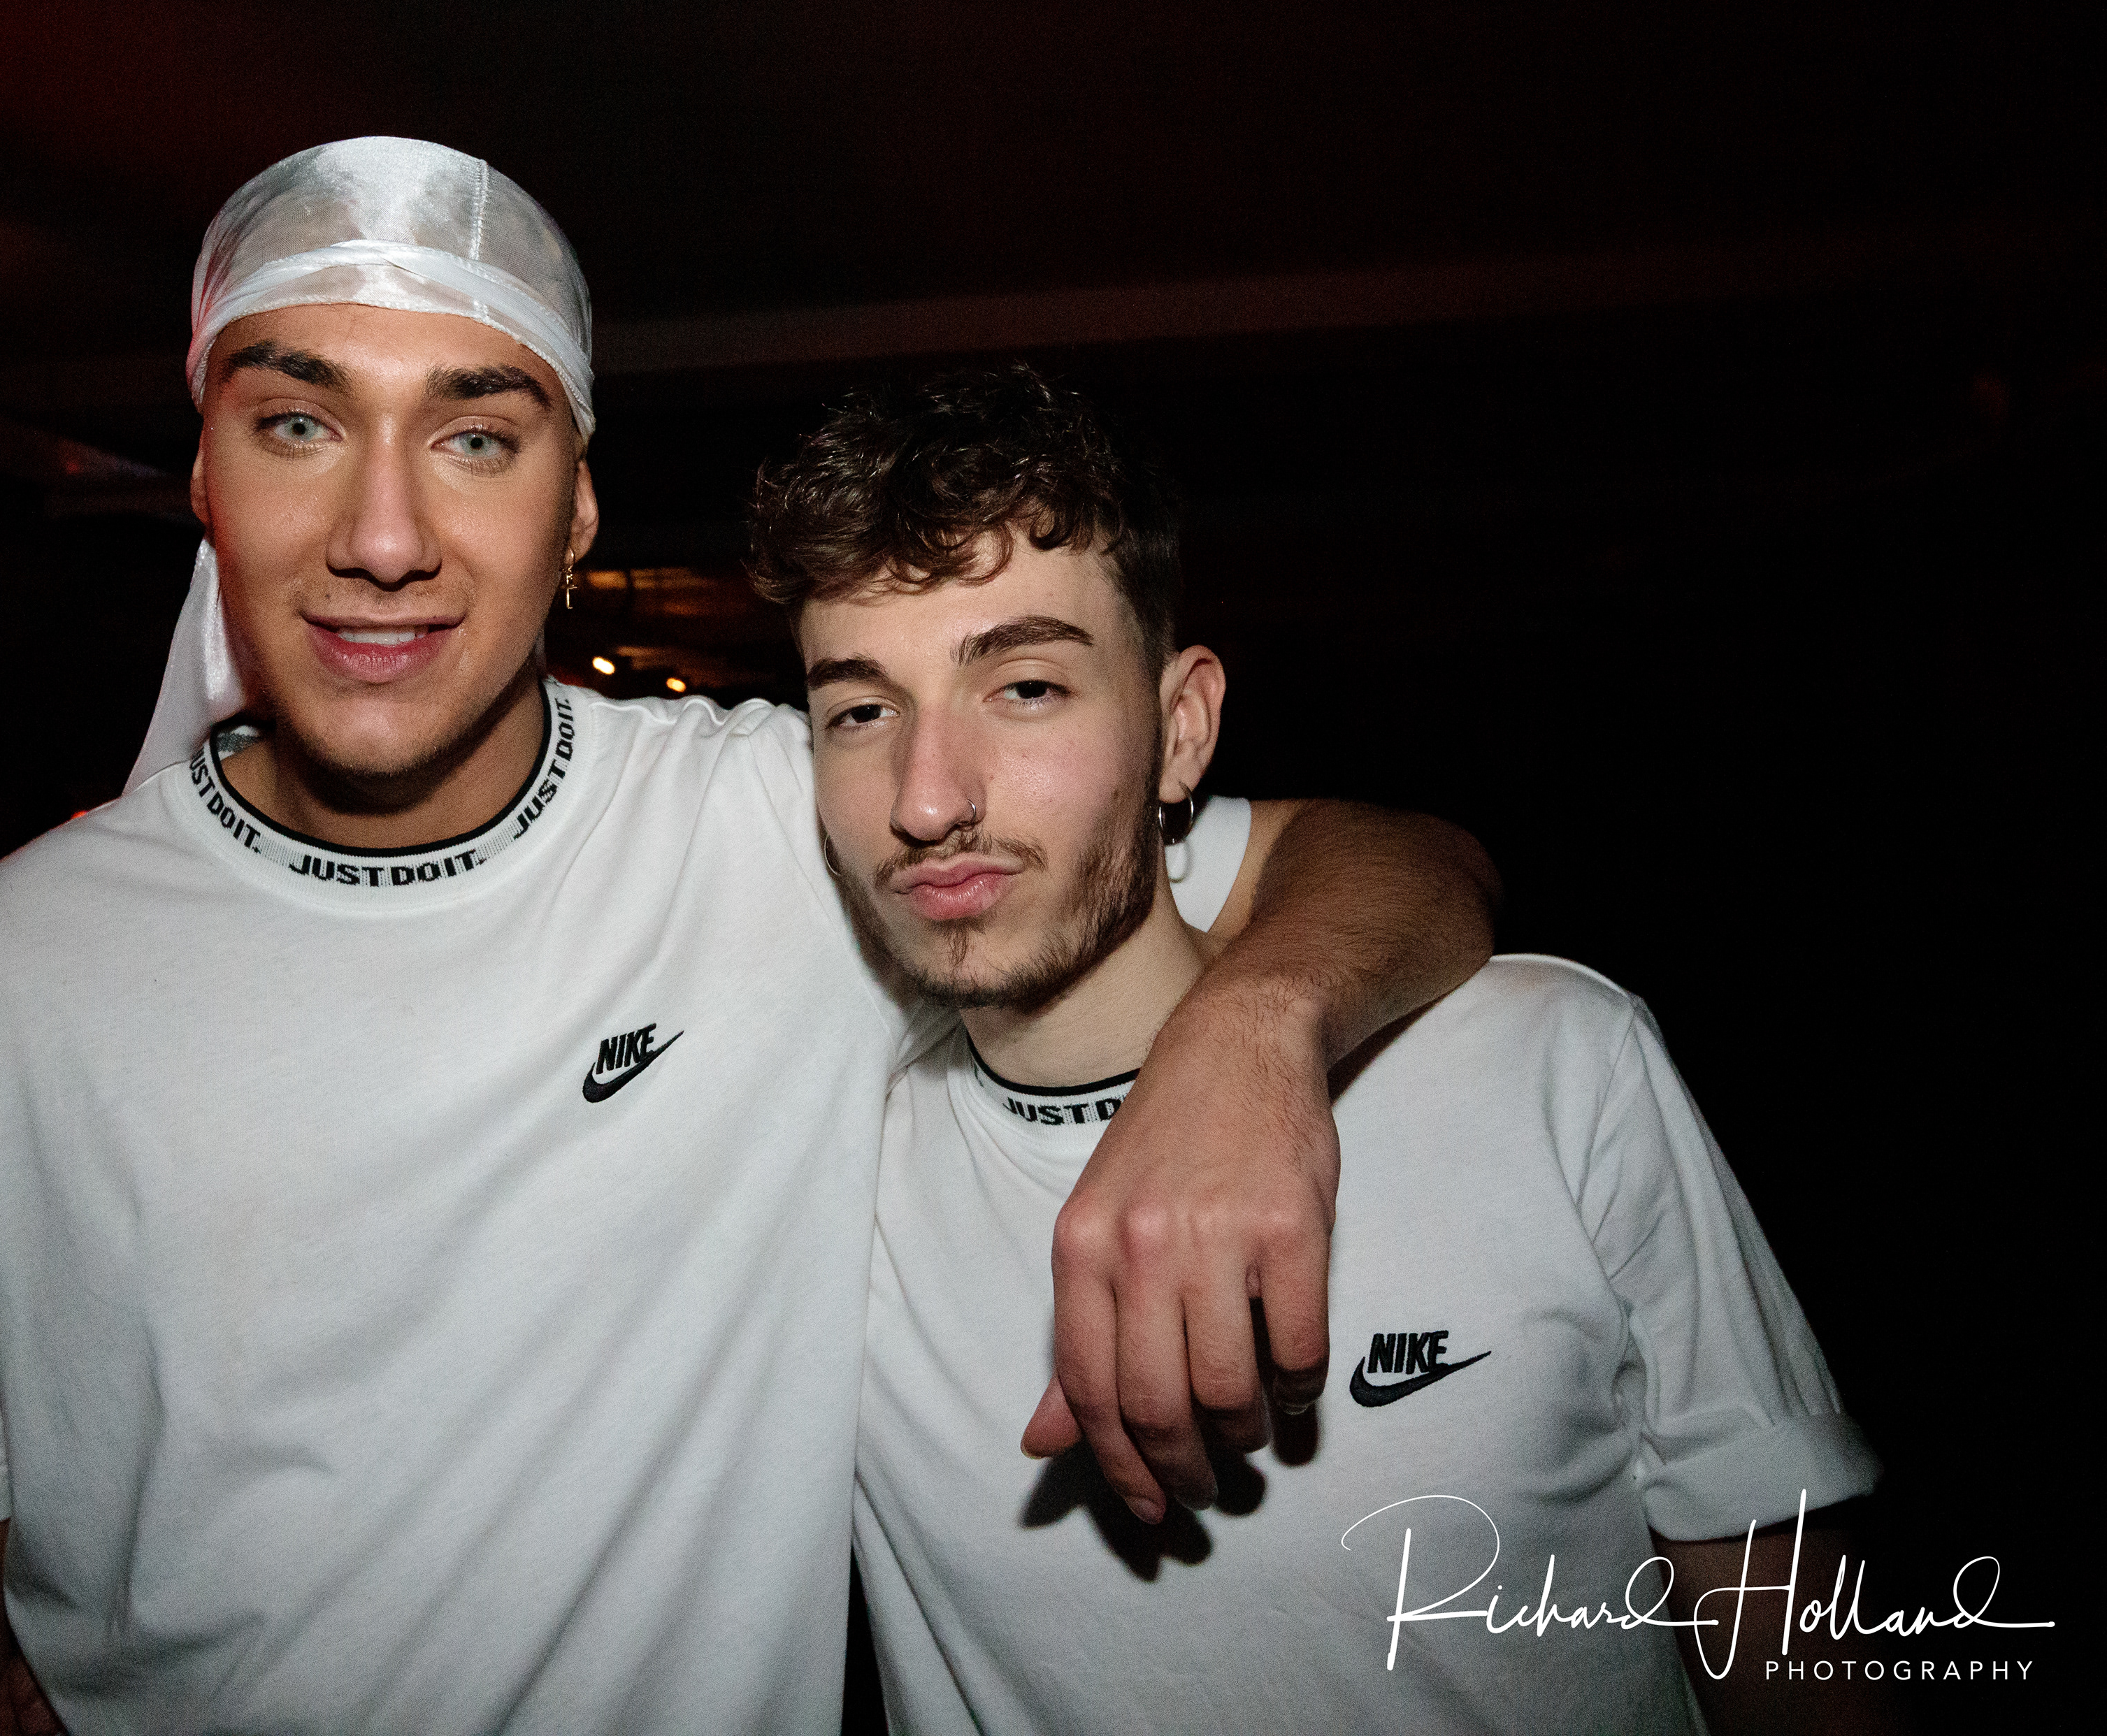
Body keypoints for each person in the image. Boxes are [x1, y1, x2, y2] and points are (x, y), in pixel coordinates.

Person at [0, 138, 1498, 1733]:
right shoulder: (0, 971)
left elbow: (1400, 859)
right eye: (297, 424)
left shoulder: (797, 821)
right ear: (199, 473)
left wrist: (1248, 1040)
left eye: (476, 437)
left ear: (577, 507)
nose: (382, 537)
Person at [751, 366, 1888, 1733]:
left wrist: (1254, 1034)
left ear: (1181, 729)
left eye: (1027, 685)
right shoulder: (825, 1182)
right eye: (862, 710)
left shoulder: (1549, 1063)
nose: (929, 798)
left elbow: (1793, 1654)